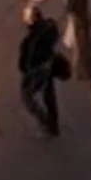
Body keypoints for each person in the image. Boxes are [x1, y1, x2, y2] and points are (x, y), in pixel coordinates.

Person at [18, 8, 67, 137]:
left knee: (27, 97)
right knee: (49, 92)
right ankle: (54, 120)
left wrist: (27, 72)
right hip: (49, 63)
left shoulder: (29, 42)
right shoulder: (50, 25)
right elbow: (56, 36)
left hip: (36, 70)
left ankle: (46, 122)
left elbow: (23, 65)